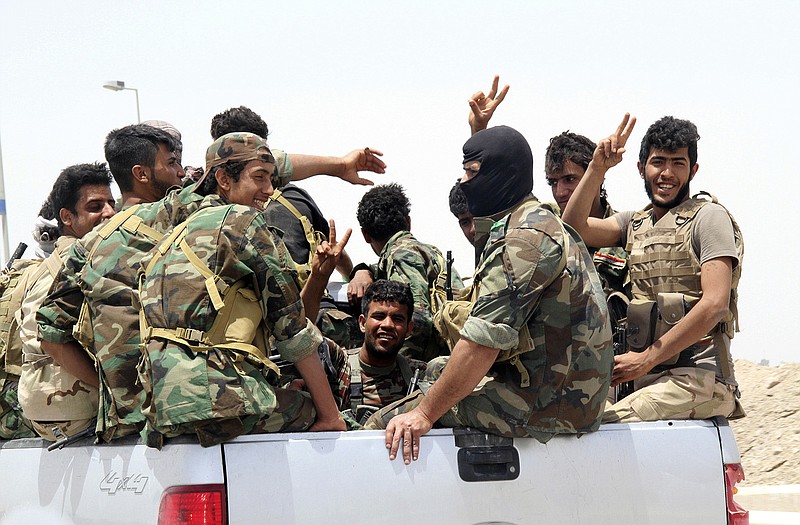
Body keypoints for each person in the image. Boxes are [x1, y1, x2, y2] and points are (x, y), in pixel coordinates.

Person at [366, 125, 613, 464]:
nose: (465, 183)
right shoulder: (533, 220)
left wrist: (422, 414)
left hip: (550, 407)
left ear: (501, 176)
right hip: (562, 393)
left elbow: (482, 343)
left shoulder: (523, 241)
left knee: (380, 425)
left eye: (472, 173)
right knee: (436, 369)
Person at [136, 132, 346, 447]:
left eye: (272, 179)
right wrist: (331, 417)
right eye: (259, 178)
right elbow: (292, 327)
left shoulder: (179, 230)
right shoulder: (242, 221)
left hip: (162, 407)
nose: (270, 190)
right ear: (223, 179)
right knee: (310, 408)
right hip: (214, 401)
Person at [561, 114, 745, 423]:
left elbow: (714, 305)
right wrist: (597, 169)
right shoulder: (635, 223)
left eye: (678, 163)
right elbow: (573, 227)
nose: (667, 173)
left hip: (698, 379)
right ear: (641, 167)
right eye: (658, 162)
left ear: (693, 170)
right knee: (567, 415)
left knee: (605, 426)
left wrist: (646, 360)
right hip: (648, 379)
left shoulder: (708, 218)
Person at [18, 163, 116, 441]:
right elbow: (52, 340)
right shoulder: (82, 260)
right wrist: (111, 391)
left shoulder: (42, 266)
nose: (108, 212)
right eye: (95, 207)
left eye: (111, 203)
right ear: (67, 217)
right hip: (76, 406)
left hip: (37, 408)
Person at [348, 183, 462, 362]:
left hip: (435, 363)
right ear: (408, 223)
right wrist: (362, 269)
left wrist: (396, 371)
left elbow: (418, 320)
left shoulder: (402, 254)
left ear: (365, 235)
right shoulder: (422, 250)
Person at [340, 280, 425, 424]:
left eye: (397, 319)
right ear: (362, 323)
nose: (387, 325)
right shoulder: (339, 369)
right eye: (379, 316)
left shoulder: (420, 375)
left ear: (409, 329)